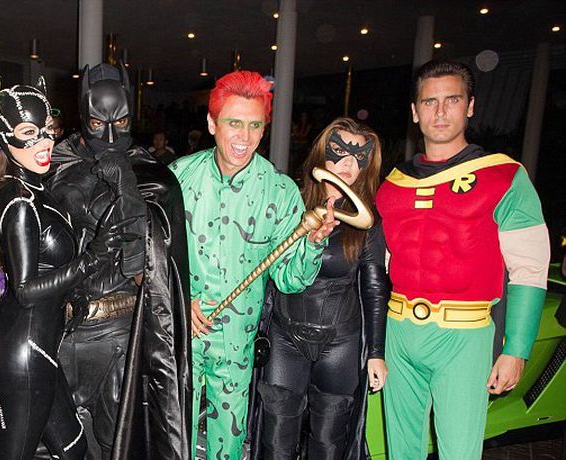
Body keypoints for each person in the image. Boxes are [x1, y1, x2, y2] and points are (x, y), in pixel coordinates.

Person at [376, 60, 550, 459]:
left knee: (459, 451)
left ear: (469, 106)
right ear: (415, 111)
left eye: (451, 100)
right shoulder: (392, 185)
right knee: (400, 450)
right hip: (399, 330)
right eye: (429, 102)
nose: (440, 112)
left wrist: (516, 349)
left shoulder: (503, 177)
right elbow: (380, 264)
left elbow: (530, 268)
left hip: (463, 335)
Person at [169, 70, 337, 460]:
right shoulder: (178, 177)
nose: (244, 137)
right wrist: (181, 300)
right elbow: (153, 255)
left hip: (236, 343)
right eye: (234, 123)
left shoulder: (280, 191)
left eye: (255, 125)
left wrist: (313, 243)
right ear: (212, 123)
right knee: (174, 436)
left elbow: (290, 279)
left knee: (228, 446)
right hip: (180, 332)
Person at [46, 63, 191, 459]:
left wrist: (126, 184)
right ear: (82, 116)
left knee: (119, 444)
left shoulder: (151, 176)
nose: (110, 136)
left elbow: (145, 266)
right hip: (59, 330)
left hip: (120, 332)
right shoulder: (52, 164)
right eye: (97, 123)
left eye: (121, 122)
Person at [0, 82, 128, 459]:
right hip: (20, 349)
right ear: (2, 136)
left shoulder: (35, 190)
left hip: (37, 344)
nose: (43, 141)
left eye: (47, 129)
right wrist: (92, 258)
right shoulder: (19, 200)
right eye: (29, 132)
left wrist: (75, 292)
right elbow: (26, 289)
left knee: (73, 447)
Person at [258, 117, 389, 459]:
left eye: (358, 157)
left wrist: (376, 352)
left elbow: (375, 287)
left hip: (340, 342)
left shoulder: (367, 222)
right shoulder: (291, 202)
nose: (348, 164)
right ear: (321, 154)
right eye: (340, 152)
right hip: (285, 336)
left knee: (329, 442)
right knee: (276, 440)